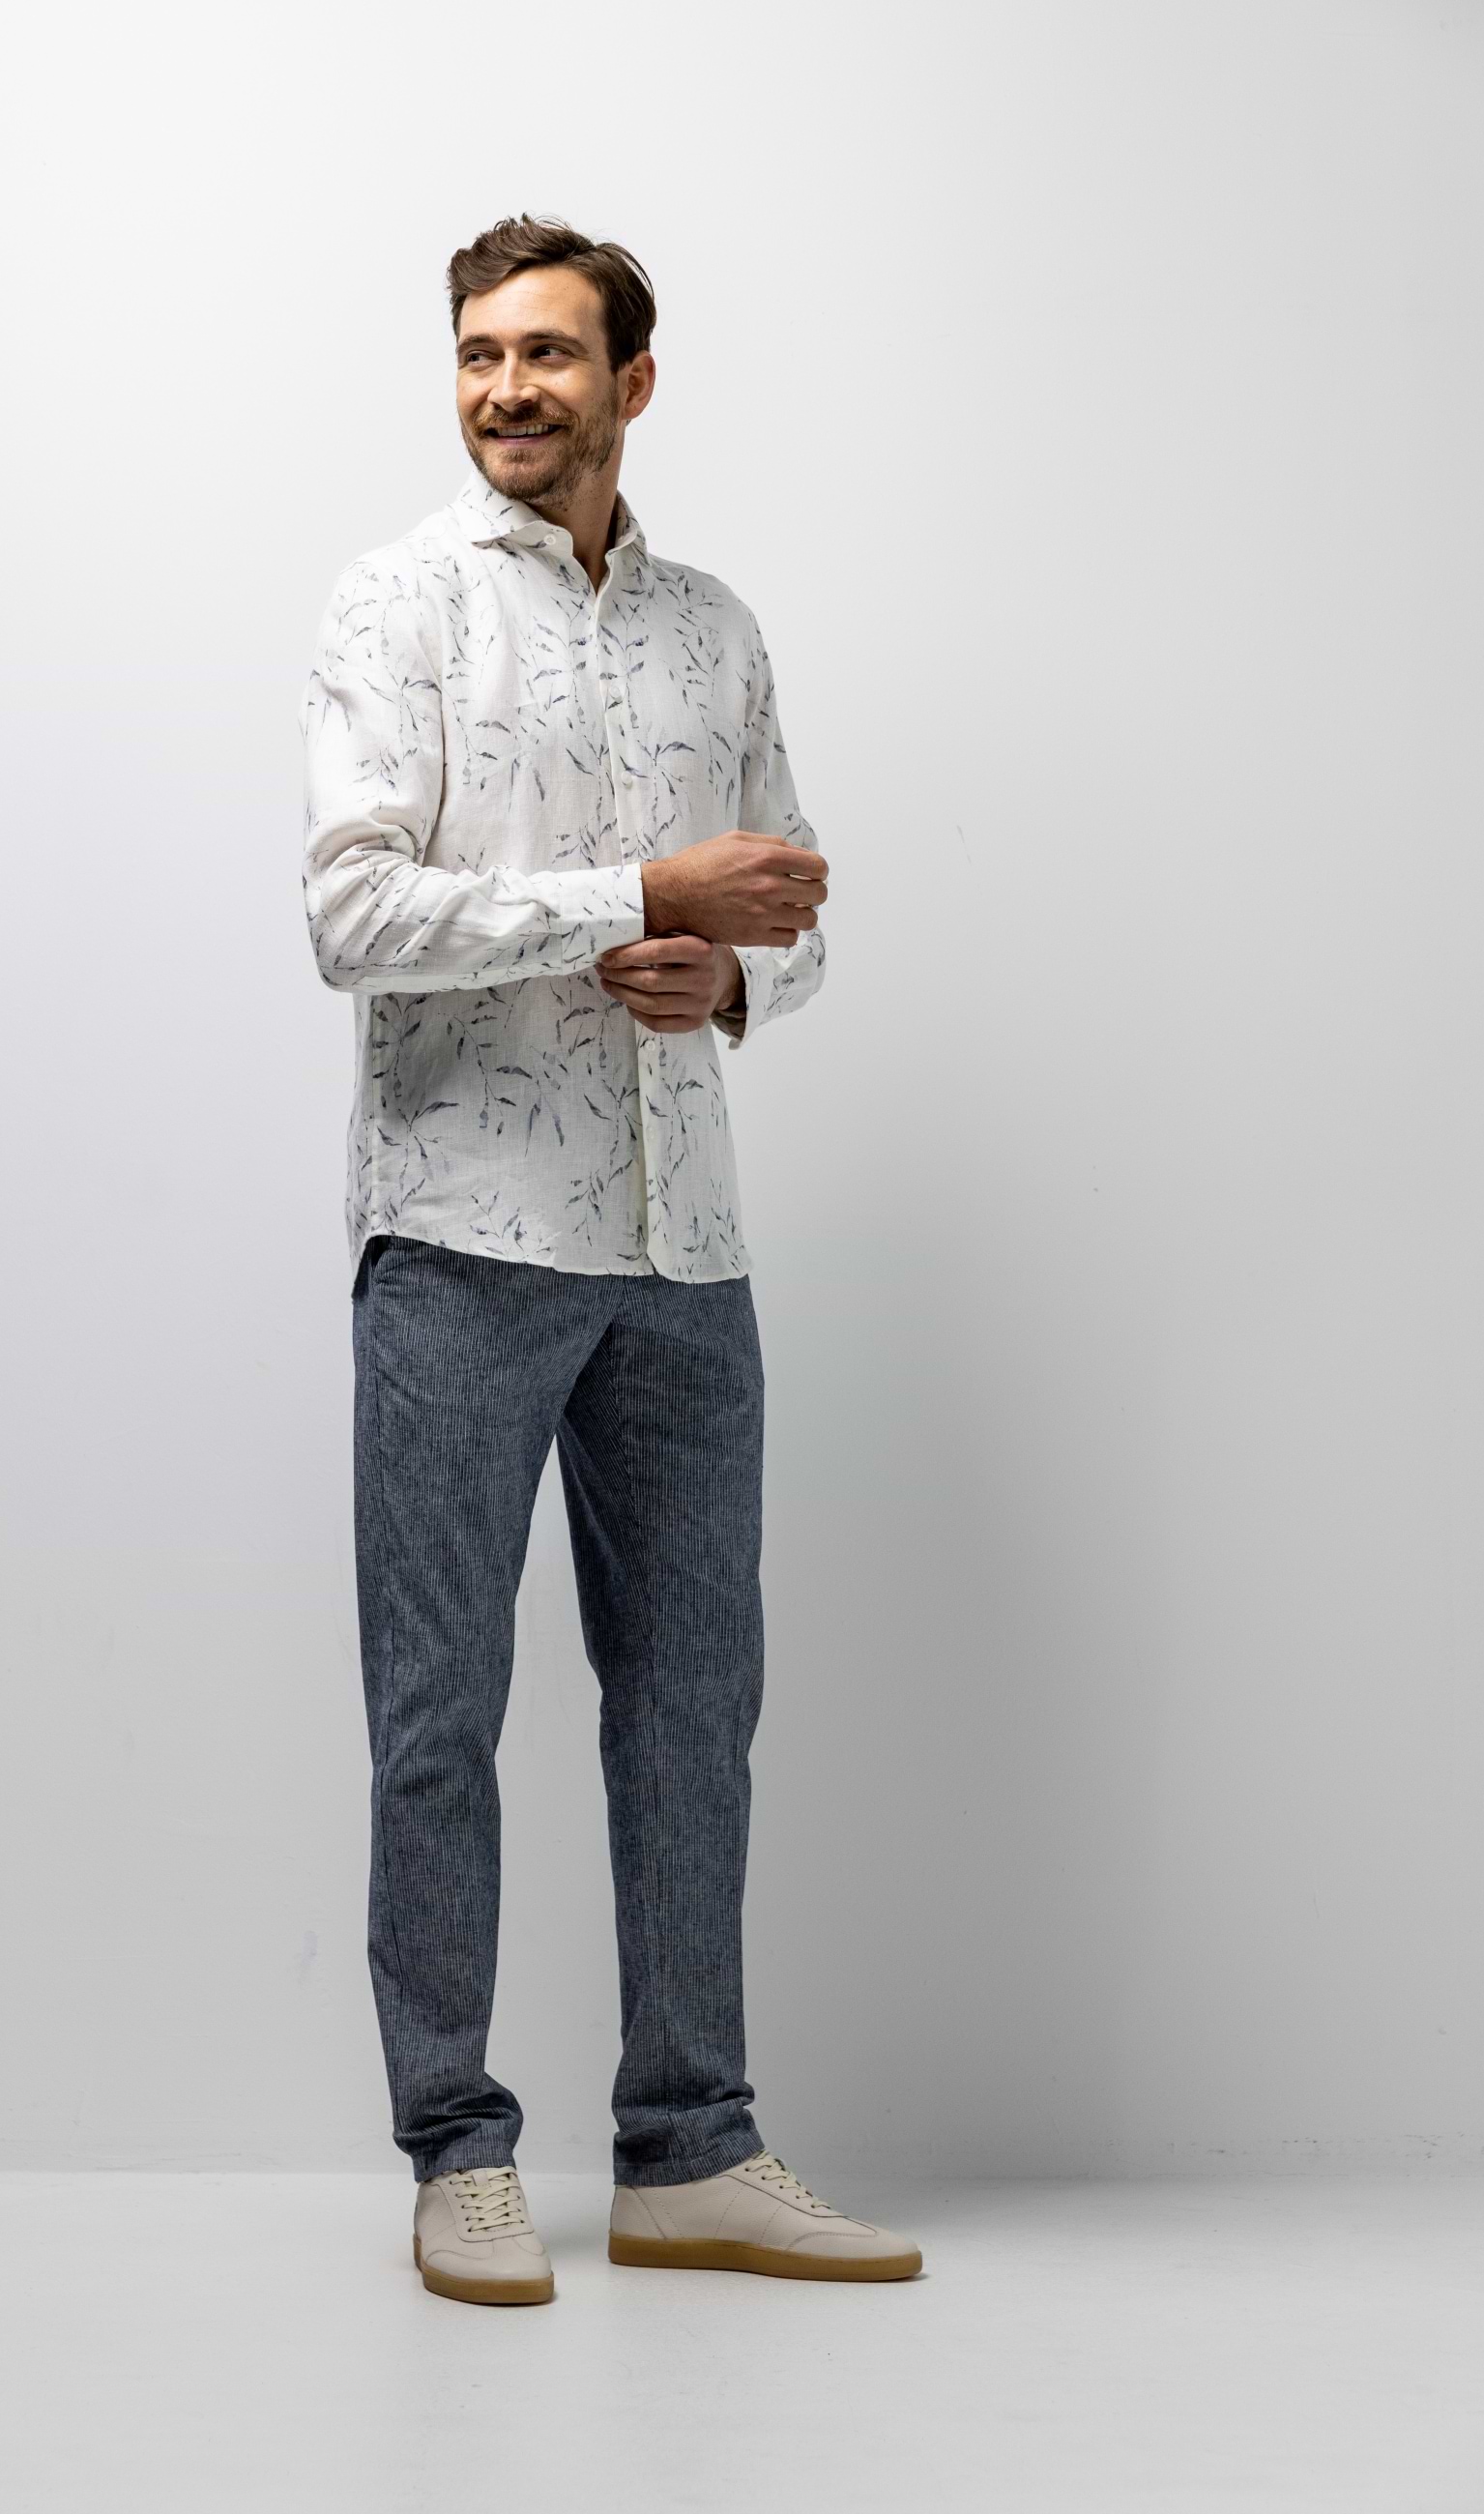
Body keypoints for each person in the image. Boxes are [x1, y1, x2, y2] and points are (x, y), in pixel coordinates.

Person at [300, 215, 921, 2305]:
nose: (507, 390)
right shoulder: (395, 606)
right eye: (480, 353)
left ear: (631, 383)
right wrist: (633, 894)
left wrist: (730, 981)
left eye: (549, 354)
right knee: (437, 1711)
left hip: (685, 1246)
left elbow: (794, 909)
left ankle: (691, 2148)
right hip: (462, 1232)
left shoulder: (716, 632)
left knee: (692, 1703)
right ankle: (456, 2150)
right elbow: (350, 915)